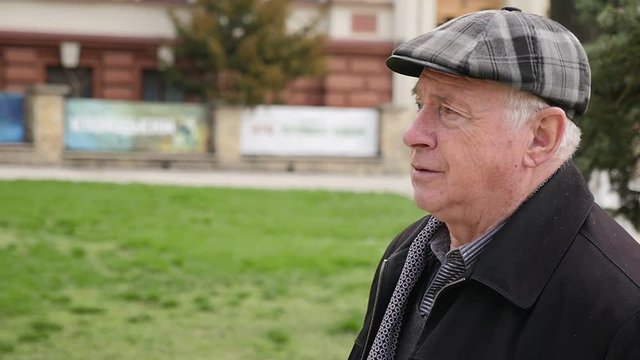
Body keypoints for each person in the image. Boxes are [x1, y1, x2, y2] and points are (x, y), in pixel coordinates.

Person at [348, 7, 640, 360]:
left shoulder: (621, 309)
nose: (414, 135)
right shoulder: (411, 251)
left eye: (449, 111)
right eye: (420, 104)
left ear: (540, 137)